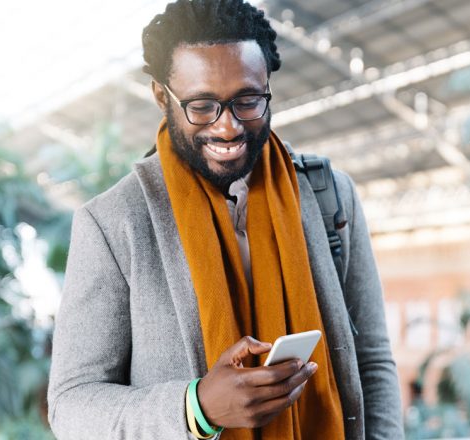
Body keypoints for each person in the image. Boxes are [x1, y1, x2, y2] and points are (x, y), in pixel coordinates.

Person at [46, 1, 403, 438]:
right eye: (202, 106)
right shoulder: (113, 223)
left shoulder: (330, 195)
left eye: (247, 101)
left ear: (267, 85)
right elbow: (71, 404)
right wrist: (196, 407)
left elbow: (371, 359)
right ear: (162, 96)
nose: (229, 127)